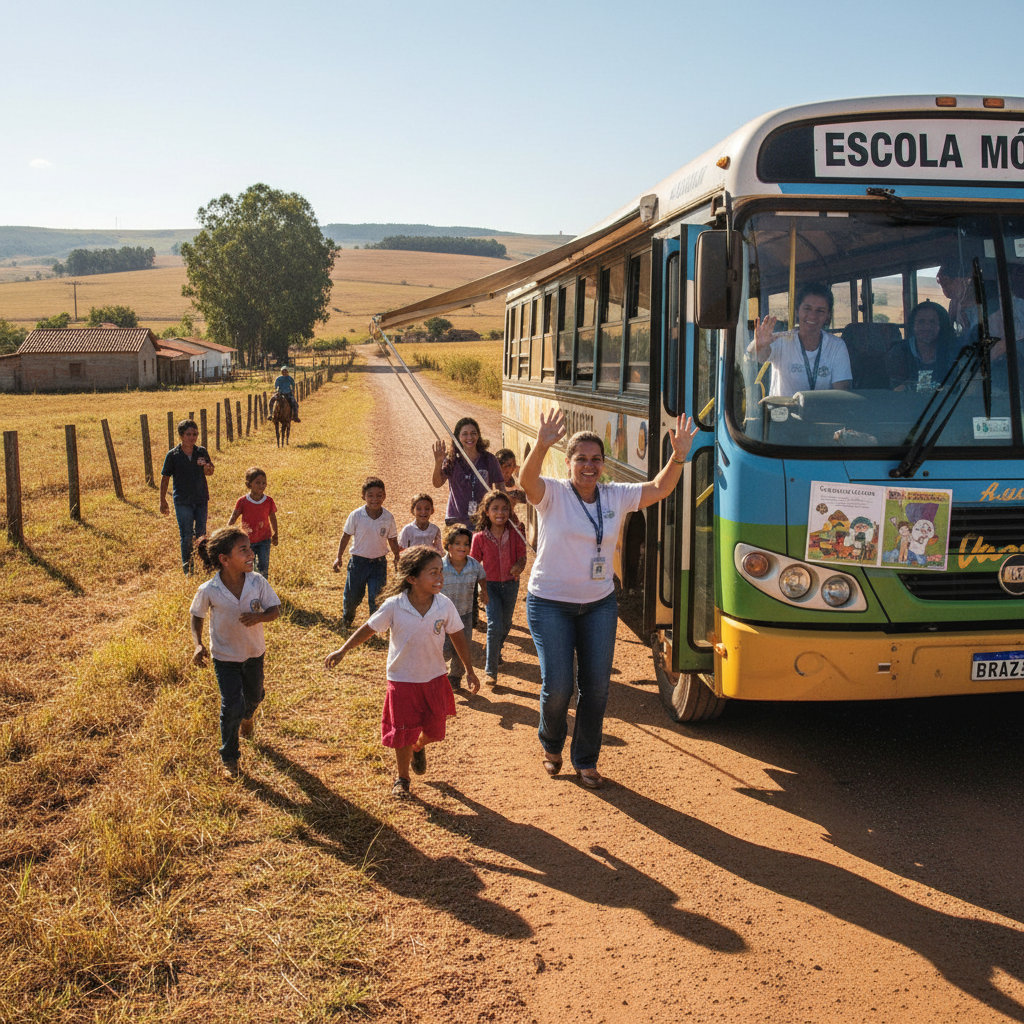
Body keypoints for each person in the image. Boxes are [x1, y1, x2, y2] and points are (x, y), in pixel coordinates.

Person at [519, 408, 697, 790]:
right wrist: (541, 445)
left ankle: (585, 759)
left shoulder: (616, 495)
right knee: (559, 685)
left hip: (599, 603)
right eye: (580, 459)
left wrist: (678, 456)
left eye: (595, 459)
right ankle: (551, 744)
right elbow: (526, 480)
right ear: (567, 463)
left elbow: (660, 488)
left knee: (597, 687)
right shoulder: (552, 493)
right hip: (550, 602)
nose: (588, 465)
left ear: (604, 463)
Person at [323, 546, 479, 798]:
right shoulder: (394, 606)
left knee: (436, 731)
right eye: (433, 572)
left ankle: (418, 746)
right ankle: (402, 778)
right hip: (402, 681)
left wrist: (469, 670)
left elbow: (458, 636)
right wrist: (343, 649)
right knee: (403, 731)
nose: (440, 577)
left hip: (435, 678)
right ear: (412, 578)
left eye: (441, 571)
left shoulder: (444, 605)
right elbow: (369, 628)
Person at [190, 527, 281, 780]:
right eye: (244, 550)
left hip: (254, 653)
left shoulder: (257, 582)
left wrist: (260, 616)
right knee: (231, 705)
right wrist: (198, 644)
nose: (252, 553)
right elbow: (196, 616)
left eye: (250, 548)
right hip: (224, 657)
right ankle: (229, 757)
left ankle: (248, 718)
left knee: (254, 696)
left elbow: (275, 610)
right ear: (224, 559)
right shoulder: (209, 589)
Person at [751, 283, 852, 396]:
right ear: (797, 311)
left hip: (823, 412)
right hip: (783, 412)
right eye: (807, 309)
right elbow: (758, 356)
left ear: (828, 315)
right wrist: (760, 345)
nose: (813, 316)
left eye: (820, 311)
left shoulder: (836, 346)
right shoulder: (781, 340)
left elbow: (841, 393)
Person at [470, 490, 526, 687]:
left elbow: (522, 556)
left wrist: (519, 566)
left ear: (510, 511)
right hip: (490, 586)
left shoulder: (516, 532)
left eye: (504, 509)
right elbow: (474, 565)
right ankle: (490, 670)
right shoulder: (479, 538)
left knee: (506, 624)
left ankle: (494, 648)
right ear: (486, 512)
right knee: (494, 625)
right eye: (495, 508)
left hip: (511, 584)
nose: (500, 513)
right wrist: (480, 589)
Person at [333, 477, 400, 628]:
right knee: (353, 596)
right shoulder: (356, 515)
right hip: (358, 563)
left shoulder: (388, 517)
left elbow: (393, 539)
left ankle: (375, 626)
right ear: (363, 495)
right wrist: (339, 557)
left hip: (378, 564)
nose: (375, 499)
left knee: (376, 597)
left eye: (379, 495)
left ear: (384, 496)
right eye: (370, 495)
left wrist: (397, 557)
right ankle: (347, 619)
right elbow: (345, 536)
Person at [936, 259, 1024, 363]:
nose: (945, 289)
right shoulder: (956, 307)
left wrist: (1003, 345)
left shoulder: (1009, 305)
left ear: (966, 279)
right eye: (941, 284)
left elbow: (1016, 341)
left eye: (947, 282)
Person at [160, 419, 215, 574]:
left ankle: (206, 564)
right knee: (186, 535)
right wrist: (162, 500)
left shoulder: (201, 451)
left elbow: (209, 472)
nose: (192, 437)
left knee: (201, 534)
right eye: (189, 434)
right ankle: (188, 569)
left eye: (195, 434)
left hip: (200, 499)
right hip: (182, 501)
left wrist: (208, 467)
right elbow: (165, 478)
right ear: (181, 436)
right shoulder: (173, 455)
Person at [431, 417, 506, 528]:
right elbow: (437, 483)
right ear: (458, 437)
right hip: (455, 520)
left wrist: (501, 511)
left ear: (478, 435)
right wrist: (438, 462)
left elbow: (500, 488)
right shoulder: (452, 460)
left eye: (473, 433)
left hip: (483, 518)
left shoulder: (489, 459)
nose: (470, 437)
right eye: (465, 434)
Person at [440, 525, 487, 690]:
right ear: (449, 545)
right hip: (443, 616)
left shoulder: (473, 565)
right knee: (443, 649)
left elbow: (482, 577)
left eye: (466, 544)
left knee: (462, 648)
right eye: (458, 543)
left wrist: (484, 592)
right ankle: (437, 674)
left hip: (465, 615)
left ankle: (455, 677)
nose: (462, 547)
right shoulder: (440, 566)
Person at [227, 466, 278, 578]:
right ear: (249, 484)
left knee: (264, 565)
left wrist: (276, 533)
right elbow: (233, 517)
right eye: (257, 482)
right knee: (249, 566)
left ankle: (263, 589)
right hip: (247, 541)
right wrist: (226, 534)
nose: (262, 485)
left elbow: (273, 517)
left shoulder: (268, 501)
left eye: (264, 482)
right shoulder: (242, 501)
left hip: (265, 539)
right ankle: (250, 589)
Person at [900, 300, 956, 387]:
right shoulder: (899, 352)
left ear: (942, 326)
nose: (927, 328)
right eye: (921, 322)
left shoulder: (954, 353)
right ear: (912, 325)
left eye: (932, 322)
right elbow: (894, 390)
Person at [495, 447, 527, 530]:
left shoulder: (517, 479)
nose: (512, 468)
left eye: (514, 465)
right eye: (508, 466)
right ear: (499, 467)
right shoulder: (491, 483)